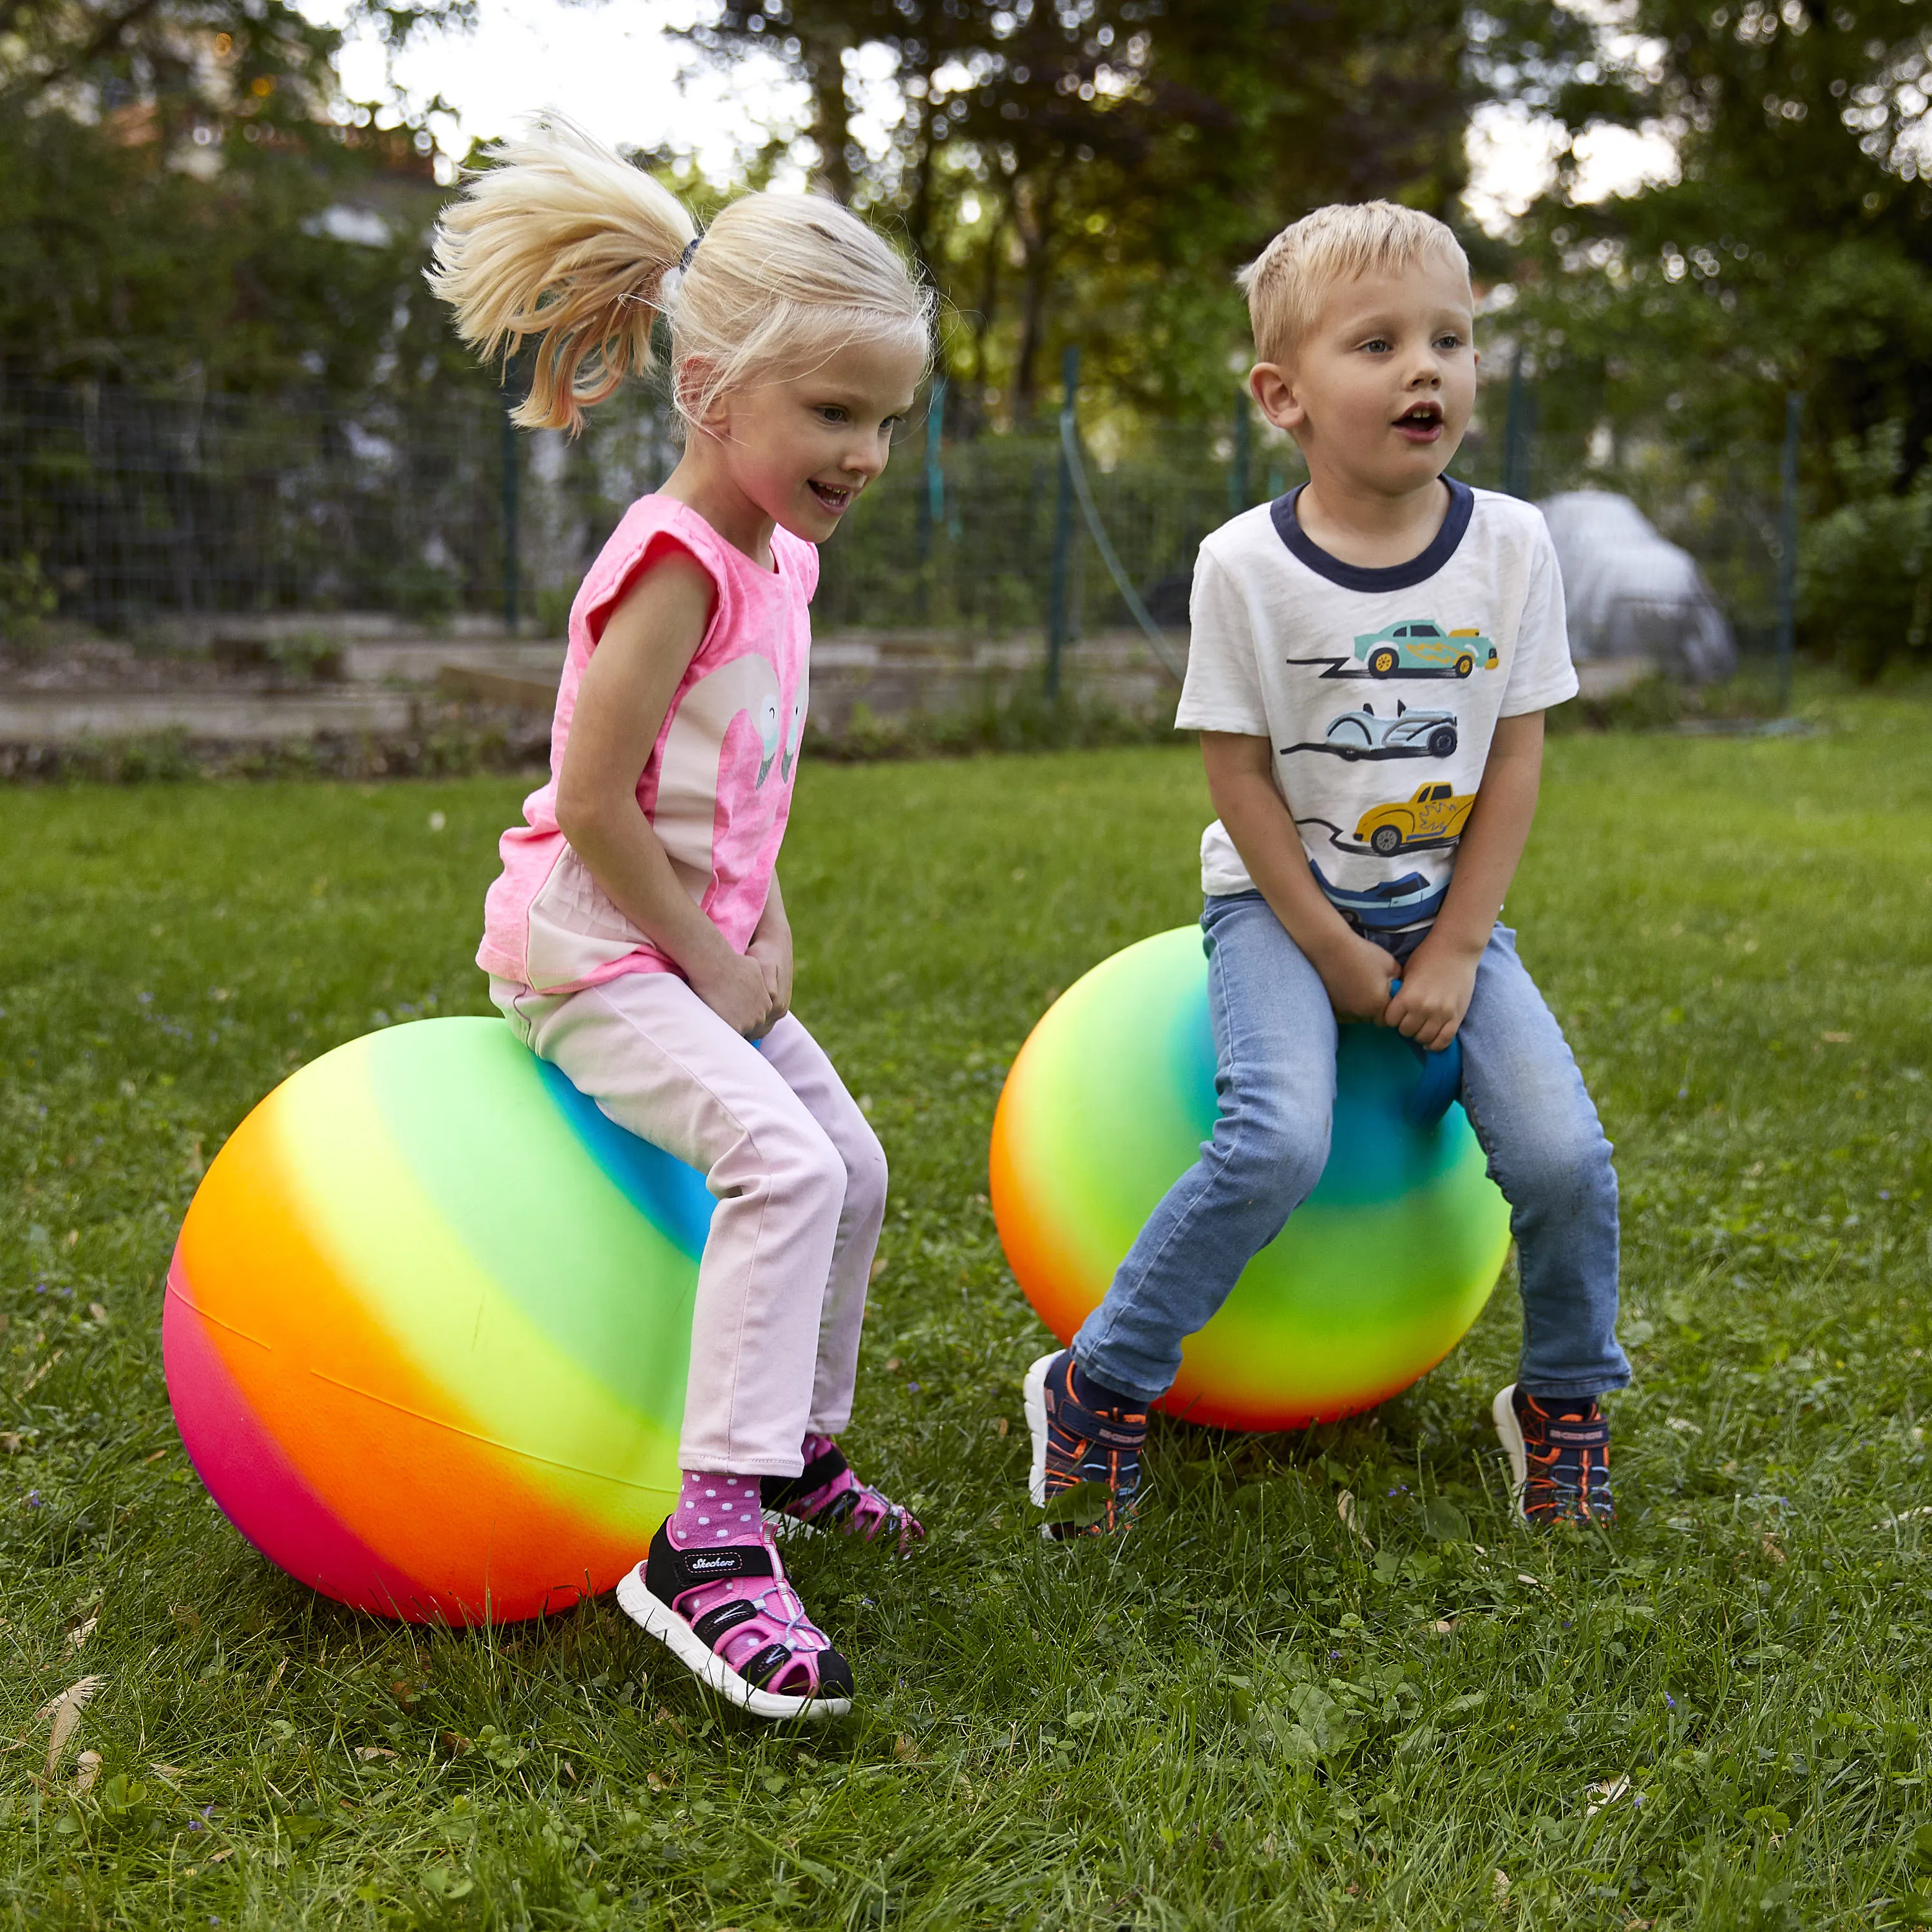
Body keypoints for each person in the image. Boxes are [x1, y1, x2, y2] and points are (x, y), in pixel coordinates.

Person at [1025, 202, 1625, 1539]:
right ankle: (1100, 1381)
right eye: (1381, 343)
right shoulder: (1243, 566)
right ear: (1283, 395)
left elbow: (1514, 761)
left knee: (1566, 1157)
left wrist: (1459, 946)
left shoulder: (1512, 547)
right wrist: (1338, 952)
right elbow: (1237, 781)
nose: (1429, 369)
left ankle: (1564, 1401)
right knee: (1277, 1138)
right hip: (1277, 910)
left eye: (1452, 339)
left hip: (1443, 909)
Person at [431, 119, 932, 1719]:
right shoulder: (670, 564)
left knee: (851, 1163)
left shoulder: (778, 555)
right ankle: (705, 1546)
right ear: (711, 389)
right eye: (833, 412)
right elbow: (592, 803)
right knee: (779, 1163)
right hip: (589, 954)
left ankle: (787, 1455)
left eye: (886, 419)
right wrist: (711, 958)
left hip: (695, 952)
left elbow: (739, 778)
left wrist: (760, 914)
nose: (864, 451)